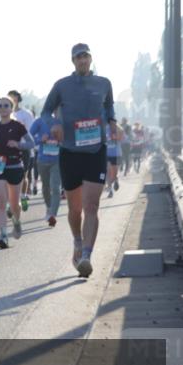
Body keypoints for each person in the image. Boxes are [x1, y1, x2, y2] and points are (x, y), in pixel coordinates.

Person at [39, 43, 117, 279]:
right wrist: (54, 124)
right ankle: (77, 240)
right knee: (75, 209)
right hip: (70, 152)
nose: (82, 61)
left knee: (91, 206)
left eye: (86, 57)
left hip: (96, 150)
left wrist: (113, 122)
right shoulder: (62, 85)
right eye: (78, 57)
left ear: (91, 59)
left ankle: (86, 256)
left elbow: (109, 106)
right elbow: (45, 112)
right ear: (73, 61)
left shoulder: (104, 83)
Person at [0, 97, 34, 248]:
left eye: (6, 105)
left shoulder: (18, 126)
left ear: (11, 108)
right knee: (1, 203)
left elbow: (31, 143)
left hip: (14, 167)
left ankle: (17, 221)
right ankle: (3, 236)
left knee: (14, 204)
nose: (2, 108)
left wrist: (18, 144)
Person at [29, 110, 62, 227]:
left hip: (57, 161)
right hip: (42, 160)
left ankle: (53, 214)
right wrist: (40, 140)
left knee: (55, 187)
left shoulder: (62, 121)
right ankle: (49, 207)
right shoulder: (39, 121)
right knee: (46, 187)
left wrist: (61, 139)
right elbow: (29, 137)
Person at [8, 90, 36, 210]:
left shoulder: (26, 114)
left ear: (18, 99)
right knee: (8, 177)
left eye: (13, 97)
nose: (11, 99)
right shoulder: (6, 114)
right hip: (9, 150)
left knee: (23, 174)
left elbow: (30, 133)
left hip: (23, 149)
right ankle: (11, 203)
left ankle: (23, 196)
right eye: (9, 97)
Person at [105, 126, 122, 198]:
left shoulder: (117, 128)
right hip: (106, 154)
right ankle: (110, 190)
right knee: (108, 172)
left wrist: (114, 136)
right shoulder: (101, 127)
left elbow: (120, 138)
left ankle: (116, 179)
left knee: (113, 173)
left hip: (115, 154)